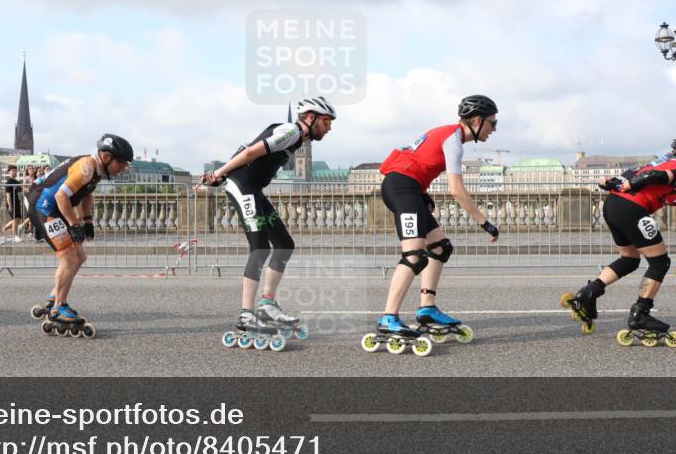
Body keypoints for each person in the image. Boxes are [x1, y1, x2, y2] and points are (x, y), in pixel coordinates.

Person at [563, 132, 676, 347]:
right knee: (660, 262)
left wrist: (615, 182)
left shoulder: (666, 160)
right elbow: (658, 177)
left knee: (629, 259)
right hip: (632, 208)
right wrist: (638, 183)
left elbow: (631, 175)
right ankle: (641, 313)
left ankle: (588, 293)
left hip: (614, 205)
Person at [364, 95, 499, 355]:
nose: (494, 129)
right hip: (402, 187)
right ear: (478, 120)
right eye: (493, 123)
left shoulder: (448, 134)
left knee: (440, 248)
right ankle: (388, 318)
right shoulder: (454, 140)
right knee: (414, 256)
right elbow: (456, 190)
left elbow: (416, 159)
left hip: (408, 187)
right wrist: (485, 222)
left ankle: (427, 309)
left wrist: (422, 194)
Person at [202, 96, 336, 350]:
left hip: (253, 188)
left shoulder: (297, 138)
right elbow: (251, 151)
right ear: (311, 118)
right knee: (260, 247)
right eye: (326, 122)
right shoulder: (291, 132)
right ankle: (245, 313)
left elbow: (249, 148)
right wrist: (220, 173)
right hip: (243, 186)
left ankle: (267, 305)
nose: (329, 128)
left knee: (284, 244)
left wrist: (222, 174)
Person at [26, 133, 133, 337]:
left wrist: (87, 220)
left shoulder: (97, 169)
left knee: (80, 256)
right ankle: (59, 307)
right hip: (45, 206)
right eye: (121, 163)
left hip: (56, 207)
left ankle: (54, 298)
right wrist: (75, 223)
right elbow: (61, 195)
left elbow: (86, 194)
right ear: (106, 157)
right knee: (70, 258)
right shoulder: (87, 167)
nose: (124, 168)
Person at [1, 165, 23, 243]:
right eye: (12, 170)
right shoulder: (8, 182)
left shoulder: (17, 182)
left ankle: (4, 228)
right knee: (15, 219)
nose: (14, 172)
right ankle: (15, 236)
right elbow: (8, 195)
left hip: (17, 202)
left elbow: (19, 193)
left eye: (15, 170)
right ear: (9, 172)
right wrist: (10, 206)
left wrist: (20, 202)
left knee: (17, 219)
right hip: (11, 203)